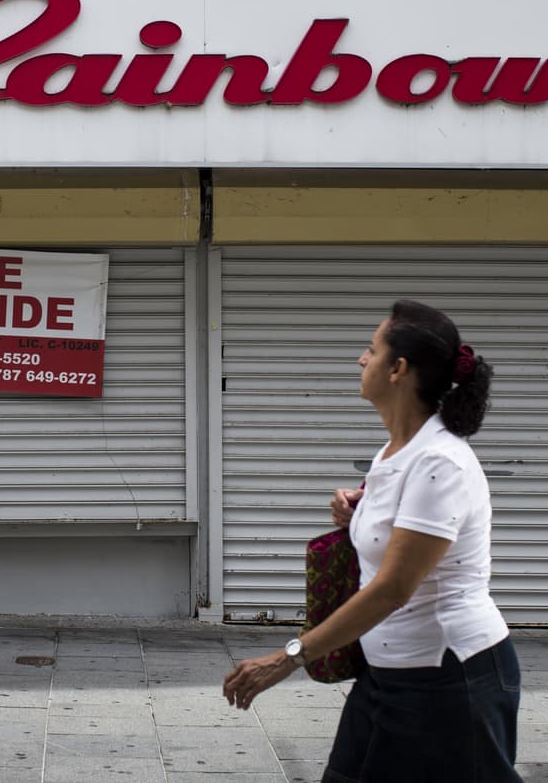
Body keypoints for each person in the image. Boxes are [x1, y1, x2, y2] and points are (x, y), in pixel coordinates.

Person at [222, 299, 521, 783]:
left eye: (371, 349)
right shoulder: (395, 451)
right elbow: (398, 533)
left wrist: (287, 658)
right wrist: (355, 516)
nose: (362, 360)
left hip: (452, 679)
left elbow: (392, 588)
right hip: (386, 676)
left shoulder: (440, 462)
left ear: (399, 369)